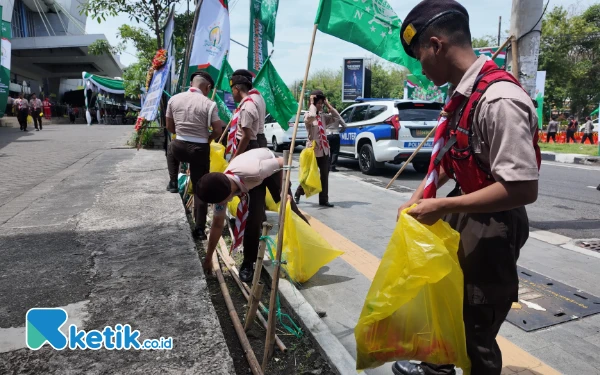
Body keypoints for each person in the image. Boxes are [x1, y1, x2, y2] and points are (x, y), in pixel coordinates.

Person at [393, 2, 541, 375]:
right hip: (465, 208)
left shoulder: (499, 101)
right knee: (447, 299)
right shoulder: (464, 94)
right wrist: (420, 196)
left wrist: (442, 207)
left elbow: (522, 188)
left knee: (476, 323)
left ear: (436, 45)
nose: (421, 70)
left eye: (419, 58)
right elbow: (453, 154)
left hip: (492, 223)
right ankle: (437, 368)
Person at [197, 148, 308, 280]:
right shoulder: (220, 188)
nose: (219, 205)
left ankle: (308, 243)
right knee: (253, 219)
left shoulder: (256, 171)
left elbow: (283, 161)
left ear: (228, 194)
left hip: (271, 167)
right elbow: (217, 225)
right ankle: (248, 262)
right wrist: (208, 257)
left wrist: (284, 190)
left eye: (220, 202)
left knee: (289, 208)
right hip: (250, 180)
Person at [165, 71, 223, 240]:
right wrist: (206, 139)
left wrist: (181, 134)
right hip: (200, 150)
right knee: (200, 189)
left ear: (192, 84)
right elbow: (218, 130)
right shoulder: (209, 104)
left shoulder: (174, 99)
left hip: (179, 146)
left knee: (171, 148)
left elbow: (169, 125)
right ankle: (199, 229)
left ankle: (173, 181)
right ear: (207, 87)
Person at [294, 90, 341, 207]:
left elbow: (337, 117)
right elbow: (312, 115)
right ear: (314, 104)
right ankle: (298, 192)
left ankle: (324, 199)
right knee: (308, 175)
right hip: (313, 151)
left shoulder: (323, 117)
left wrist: (328, 105)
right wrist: (311, 102)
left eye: (321, 103)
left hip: (324, 150)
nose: (320, 105)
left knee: (325, 175)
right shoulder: (308, 116)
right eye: (318, 103)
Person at [229, 69, 263, 158]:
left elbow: (246, 136)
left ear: (237, 89)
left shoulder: (246, 107)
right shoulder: (247, 103)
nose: (232, 94)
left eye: (232, 91)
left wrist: (235, 156)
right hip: (247, 144)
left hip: (247, 146)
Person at [326, 101, 346, 172]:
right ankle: (333, 167)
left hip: (327, 135)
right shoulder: (337, 116)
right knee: (335, 151)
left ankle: (327, 167)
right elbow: (344, 125)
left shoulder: (325, 116)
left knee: (327, 151)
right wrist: (341, 131)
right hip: (335, 134)